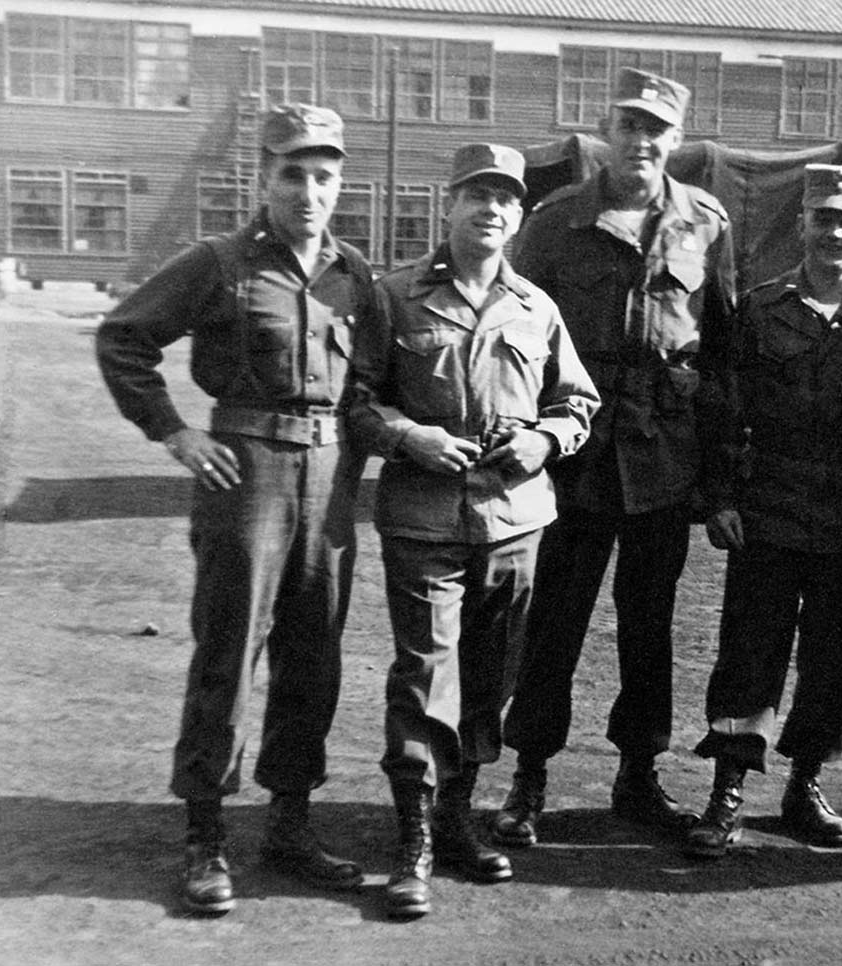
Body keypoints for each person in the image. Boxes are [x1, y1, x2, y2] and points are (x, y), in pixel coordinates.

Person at [96, 104, 375, 914]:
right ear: (263, 176)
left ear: (340, 185)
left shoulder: (353, 276)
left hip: (329, 475)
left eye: (324, 176)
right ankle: (206, 832)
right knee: (229, 647)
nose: (309, 191)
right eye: (293, 173)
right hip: (243, 470)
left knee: (313, 652)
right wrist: (174, 433)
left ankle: (290, 823)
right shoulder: (218, 262)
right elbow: (123, 338)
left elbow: (377, 382)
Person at [348, 143, 599, 919]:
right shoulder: (395, 298)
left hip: (516, 520)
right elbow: (354, 400)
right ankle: (414, 837)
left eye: (505, 200)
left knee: (491, 679)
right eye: (476, 196)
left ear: (519, 218)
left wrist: (545, 440)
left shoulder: (536, 307)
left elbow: (577, 402)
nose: (490, 210)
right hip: (424, 520)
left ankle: (459, 815)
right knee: (427, 672)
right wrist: (404, 437)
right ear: (447, 206)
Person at [492, 67, 737, 847]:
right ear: (607, 130)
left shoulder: (703, 222)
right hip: (573, 462)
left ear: (675, 139)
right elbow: (511, 332)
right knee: (552, 625)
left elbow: (724, 352)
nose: (640, 141)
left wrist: (718, 472)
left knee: (649, 627)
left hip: (662, 459)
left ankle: (639, 775)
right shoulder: (557, 219)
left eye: (655, 129)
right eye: (627, 125)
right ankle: (528, 776)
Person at [685, 165, 842, 859]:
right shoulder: (761, 308)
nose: (834, 232)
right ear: (801, 224)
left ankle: (804, 784)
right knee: (750, 650)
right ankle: (728, 791)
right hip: (768, 508)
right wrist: (717, 496)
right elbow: (722, 406)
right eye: (821, 219)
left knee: (830, 659)